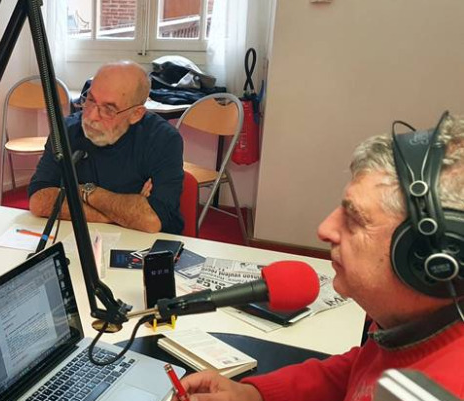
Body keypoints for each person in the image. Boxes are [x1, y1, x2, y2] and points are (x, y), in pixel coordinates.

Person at [180, 115, 464, 401]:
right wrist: (252, 394)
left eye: (355, 219)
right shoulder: (411, 323)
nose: (325, 229)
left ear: (429, 259)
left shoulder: (438, 392)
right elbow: (359, 370)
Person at [28, 61, 184, 234]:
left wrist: (87, 192)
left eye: (109, 109)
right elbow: (39, 200)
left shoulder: (163, 139)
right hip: (80, 237)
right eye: (90, 100)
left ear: (136, 114)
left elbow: (151, 220)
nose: (92, 116)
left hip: (144, 244)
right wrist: (120, 216)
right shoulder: (66, 130)